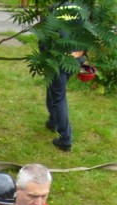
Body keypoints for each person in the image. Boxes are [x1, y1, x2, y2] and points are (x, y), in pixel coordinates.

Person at [41, 2, 86, 152]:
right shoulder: (80, 8)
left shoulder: (51, 10)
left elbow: (44, 38)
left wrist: (44, 57)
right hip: (75, 59)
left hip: (58, 61)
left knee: (59, 97)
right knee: (53, 89)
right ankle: (53, 121)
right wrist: (81, 55)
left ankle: (65, 140)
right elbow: (88, 34)